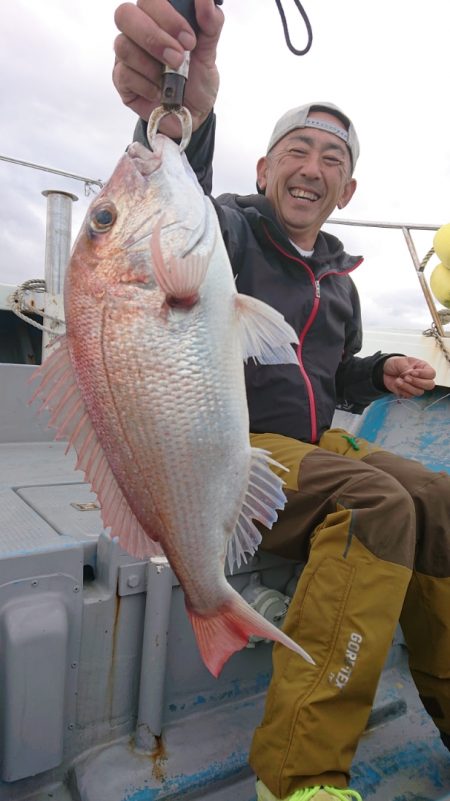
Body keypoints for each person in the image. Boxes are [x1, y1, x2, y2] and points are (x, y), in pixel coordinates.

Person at [113, 3, 450, 800]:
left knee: (435, 494)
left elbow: (331, 377)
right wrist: (188, 115)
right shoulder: (225, 233)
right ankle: (299, 773)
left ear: (347, 188)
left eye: (332, 158)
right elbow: (172, 200)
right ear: (264, 169)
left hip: (315, 442)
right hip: (245, 445)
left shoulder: (340, 282)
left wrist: (380, 373)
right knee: (377, 502)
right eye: (296, 149)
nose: (311, 166)